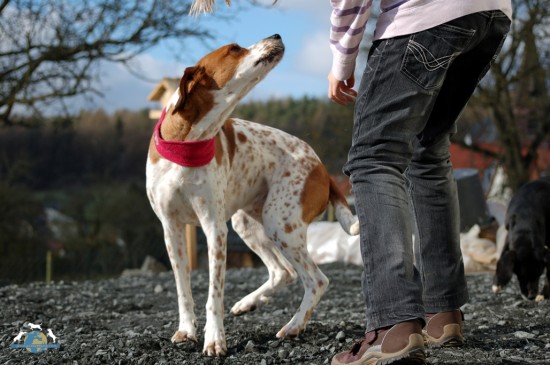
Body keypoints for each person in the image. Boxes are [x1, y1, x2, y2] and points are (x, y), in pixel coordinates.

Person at [327, 1, 512, 364]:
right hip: (490, 13)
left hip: (426, 13)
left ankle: (393, 324)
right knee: (428, 147)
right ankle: (443, 313)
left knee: (374, 156)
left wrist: (341, 62)